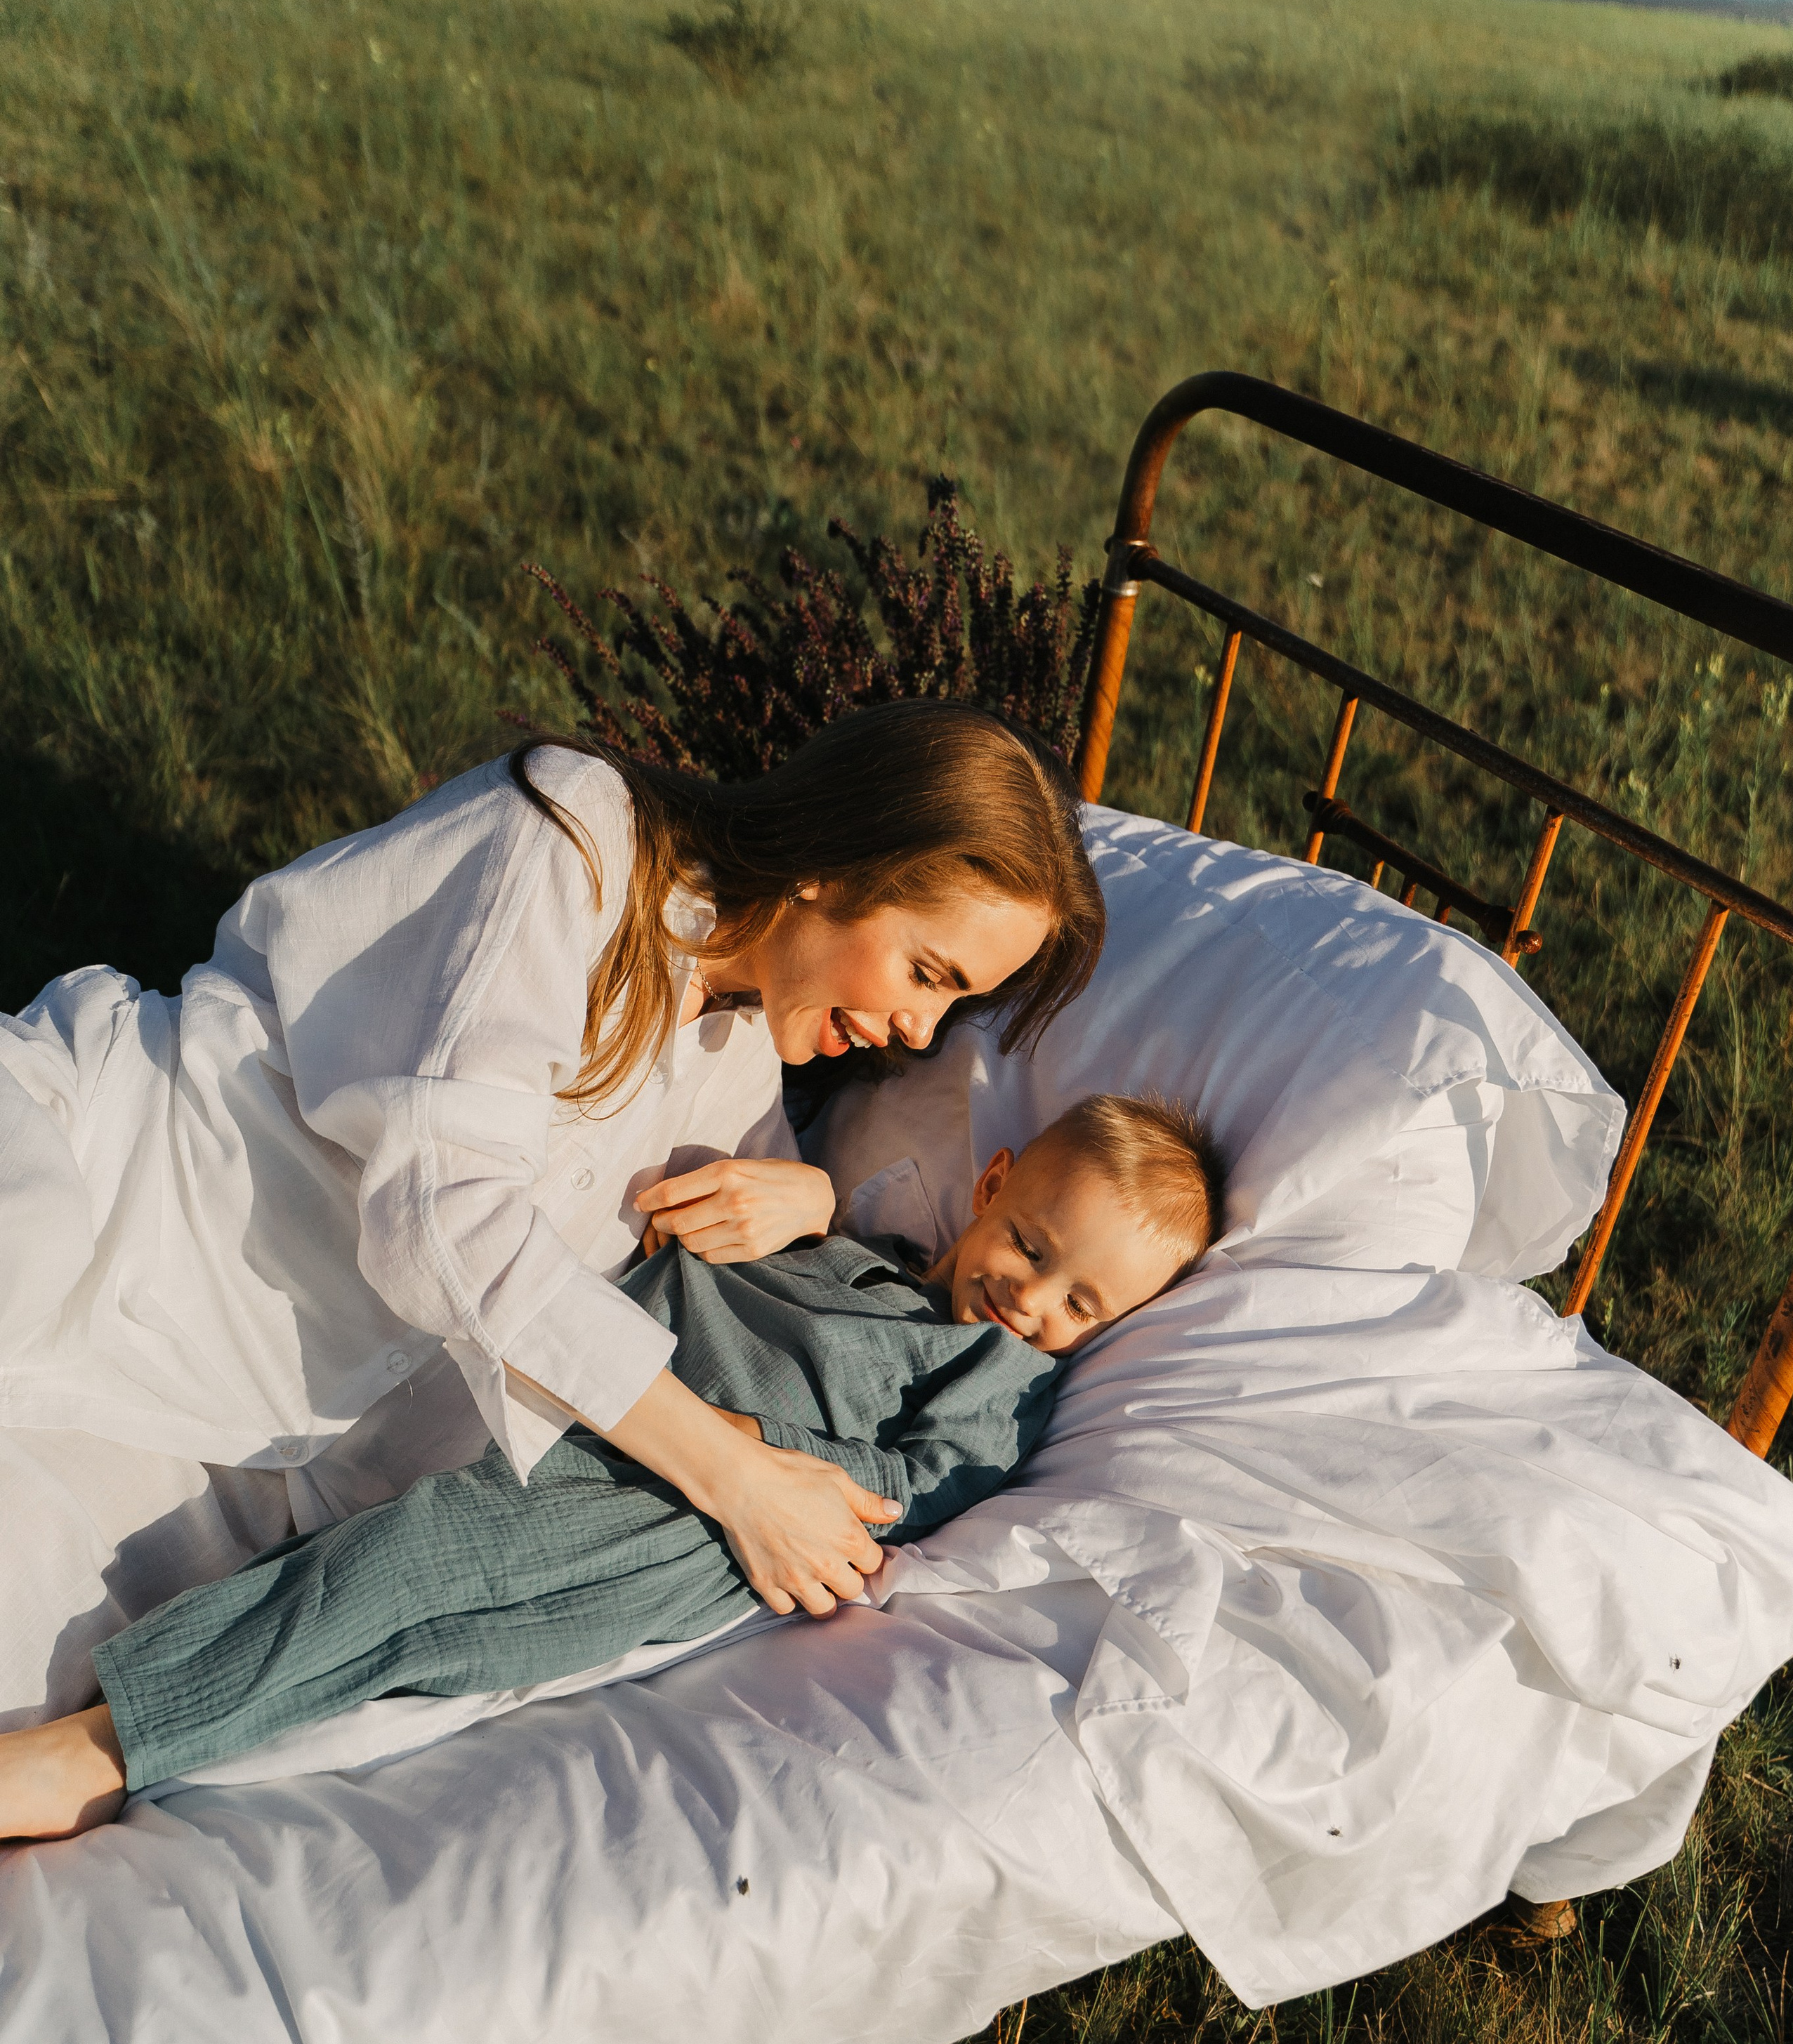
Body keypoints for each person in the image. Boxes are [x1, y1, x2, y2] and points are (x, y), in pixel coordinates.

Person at [0, 704, 1105, 1734]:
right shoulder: (576, 838)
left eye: (954, 1005)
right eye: (926, 971)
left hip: (237, 1434)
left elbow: (774, 1291)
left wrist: (816, 1196)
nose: (919, 1029)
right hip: (110, 1187)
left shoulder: (738, 1069)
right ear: (836, 866)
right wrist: (733, 1474)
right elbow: (443, 1218)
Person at [0, 1096, 1227, 1838]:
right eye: (1027, 1243)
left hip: (711, 1521)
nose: (1030, 1296)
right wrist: (818, 1199)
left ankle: (105, 1752)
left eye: (1082, 1303)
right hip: (628, 1425)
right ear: (996, 1182)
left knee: (414, 1576)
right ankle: (156, 1708)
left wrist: (750, 1450)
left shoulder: (1005, 1387)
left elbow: (907, 1491)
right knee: (379, 1550)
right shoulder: (872, 1251)